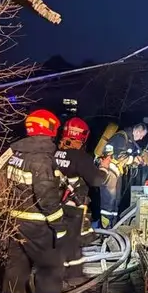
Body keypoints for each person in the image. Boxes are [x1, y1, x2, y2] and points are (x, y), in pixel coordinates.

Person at [0, 109, 76, 293]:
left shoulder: (18, 153)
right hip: (37, 222)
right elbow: (46, 197)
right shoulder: (41, 159)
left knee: (17, 266)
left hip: (15, 221)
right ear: (49, 128)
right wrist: (59, 225)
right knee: (51, 265)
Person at [54, 117, 110, 284]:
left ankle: (58, 275)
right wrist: (104, 167)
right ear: (83, 137)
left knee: (59, 242)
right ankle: (73, 280)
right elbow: (97, 180)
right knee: (73, 247)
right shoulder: (80, 157)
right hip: (73, 207)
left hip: (53, 206)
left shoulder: (53, 153)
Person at [97, 122, 147, 228]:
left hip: (117, 173)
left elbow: (128, 155)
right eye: (142, 135)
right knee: (108, 202)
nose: (141, 138)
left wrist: (137, 158)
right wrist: (133, 159)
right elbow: (118, 155)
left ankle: (113, 226)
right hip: (109, 172)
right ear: (137, 131)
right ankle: (105, 229)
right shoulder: (120, 137)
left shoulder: (129, 141)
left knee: (116, 201)